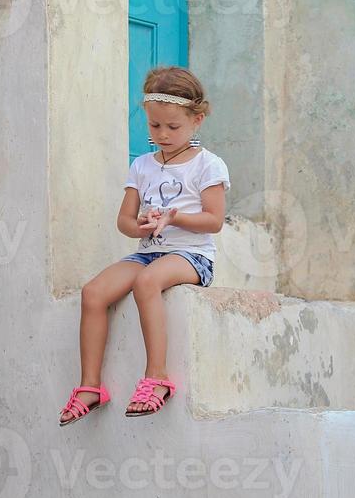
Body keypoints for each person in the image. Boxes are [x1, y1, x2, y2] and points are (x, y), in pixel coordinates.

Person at [59, 65, 231, 425]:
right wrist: (139, 227)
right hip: (148, 251)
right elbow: (123, 221)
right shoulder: (142, 165)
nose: (162, 135)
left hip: (192, 255)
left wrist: (175, 218)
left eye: (173, 127)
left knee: (146, 281)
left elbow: (213, 220)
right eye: (154, 126)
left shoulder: (208, 165)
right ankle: (90, 386)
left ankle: (157, 377)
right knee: (93, 292)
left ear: (197, 120)